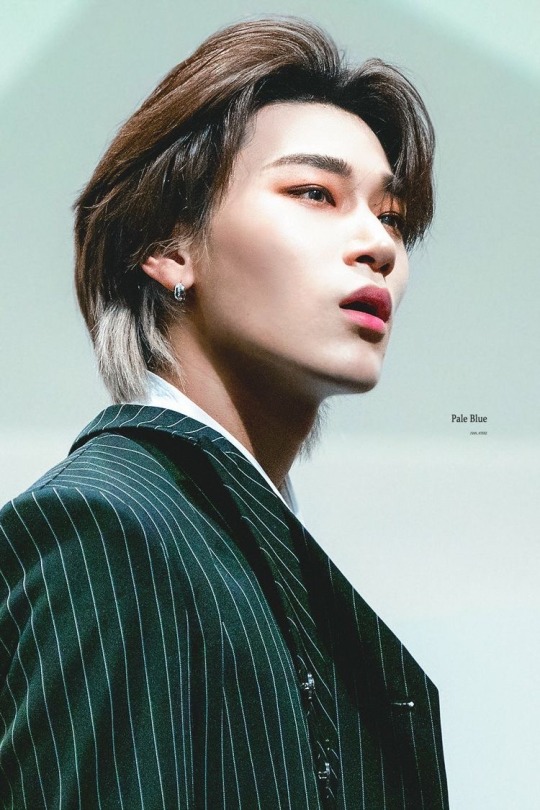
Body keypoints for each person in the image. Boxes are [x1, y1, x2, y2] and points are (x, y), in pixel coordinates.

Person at [0, 17, 449, 809]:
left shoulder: (241, 549)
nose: (379, 245)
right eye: (315, 193)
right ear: (170, 247)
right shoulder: (109, 532)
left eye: (392, 216)